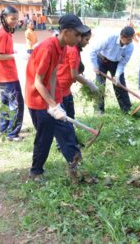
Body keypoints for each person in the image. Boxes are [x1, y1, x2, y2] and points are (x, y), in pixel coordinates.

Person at [25, 14, 90, 182]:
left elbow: (53, 74)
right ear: (66, 32)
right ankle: (36, 171)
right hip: (37, 99)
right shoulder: (47, 48)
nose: (79, 39)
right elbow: (38, 83)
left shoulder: (62, 47)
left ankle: (76, 164)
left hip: (48, 99)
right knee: (44, 138)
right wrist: (51, 105)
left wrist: (55, 102)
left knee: (66, 129)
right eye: (77, 35)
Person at [0, 5, 24, 142]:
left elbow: (5, 53)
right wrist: (14, 56)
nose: (15, 22)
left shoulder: (6, 32)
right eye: (12, 19)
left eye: (17, 19)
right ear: (4, 18)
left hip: (5, 75)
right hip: (7, 76)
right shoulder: (3, 34)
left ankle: (4, 130)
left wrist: (13, 53)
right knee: (16, 104)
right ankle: (12, 133)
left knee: (6, 105)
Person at [90, 26, 135, 114]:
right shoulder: (110, 38)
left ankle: (127, 109)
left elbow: (122, 63)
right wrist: (95, 66)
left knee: (120, 84)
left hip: (116, 63)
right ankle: (99, 110)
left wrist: (117, 76)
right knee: (100, 85)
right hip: (102, 60)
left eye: (131, 39)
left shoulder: (130, 46)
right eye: (129, 40)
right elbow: (93, 50)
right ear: (122, 37)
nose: (130, 42)